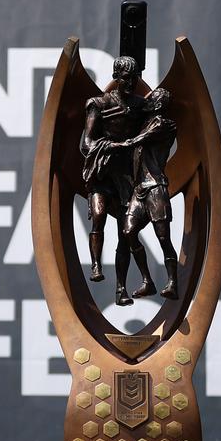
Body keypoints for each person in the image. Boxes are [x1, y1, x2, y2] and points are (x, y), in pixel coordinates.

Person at [81, 55, 148, 302]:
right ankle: (96, 266)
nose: (131, 83)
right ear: (116, 78)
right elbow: (86, 143)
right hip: (103, 172)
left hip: (126, 178)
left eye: (135, 78)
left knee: (125, 233)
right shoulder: (98, 104)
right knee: (98, 216)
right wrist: (112, 145)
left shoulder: (140, 106)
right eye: (126, 78)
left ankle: (121, 289)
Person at [118, 87, 180, 301]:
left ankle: (172, 281)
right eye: (153, 99)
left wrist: (119, 144)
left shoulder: (164, 125)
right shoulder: (144, 122)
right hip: (140, 189)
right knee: (128, 232)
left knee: (163, 237)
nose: (152, 102)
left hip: (156, 187)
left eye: (155, 100)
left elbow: (141, 139)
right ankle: (148, 281)